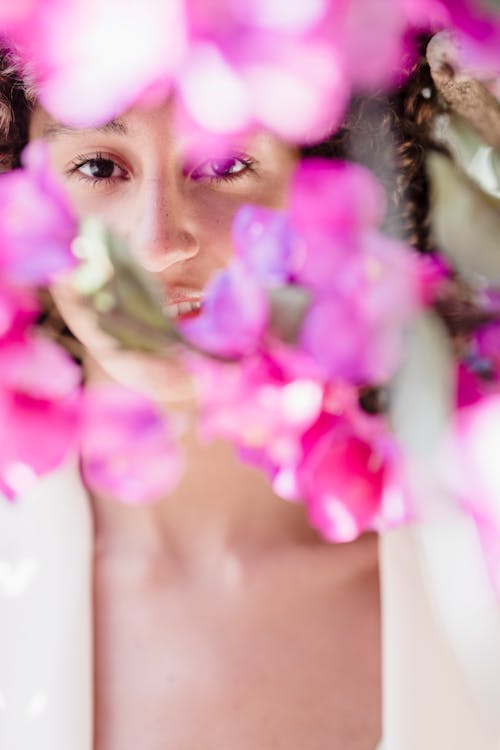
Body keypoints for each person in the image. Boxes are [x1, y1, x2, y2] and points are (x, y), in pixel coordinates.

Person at [0, 36, 499, 750]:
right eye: (100, 166)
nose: (159, 241)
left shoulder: (473, 562)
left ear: (321, 185)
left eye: (227, 164)